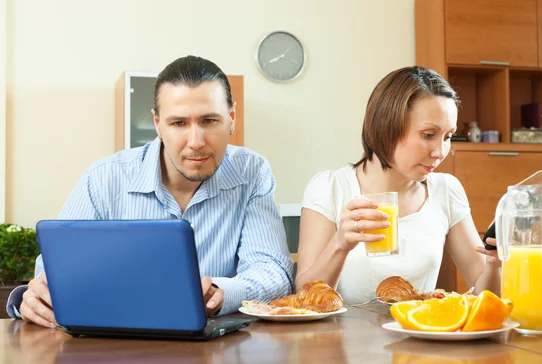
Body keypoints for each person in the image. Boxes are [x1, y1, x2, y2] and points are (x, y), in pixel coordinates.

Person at [6, 55, 294, 327]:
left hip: (216, 347)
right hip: (115, 346)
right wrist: (31, 298)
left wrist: (221, 291)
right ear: (158, 124)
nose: (196, 141)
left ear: (232, 118)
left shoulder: (252, 171)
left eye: (209, 121)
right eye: (179, 123)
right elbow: (52, 277)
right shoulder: (105, 178)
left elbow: (273, 272)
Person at [295, 66, 500, 305]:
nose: (440, 152)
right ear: (386, 127)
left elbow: (486, 298)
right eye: (428, 135)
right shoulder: (330, 188)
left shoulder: (446, 190)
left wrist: (495, 266)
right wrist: (339, 245)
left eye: (448, 136)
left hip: (422, 336)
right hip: (343, 340)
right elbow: (304, 298)